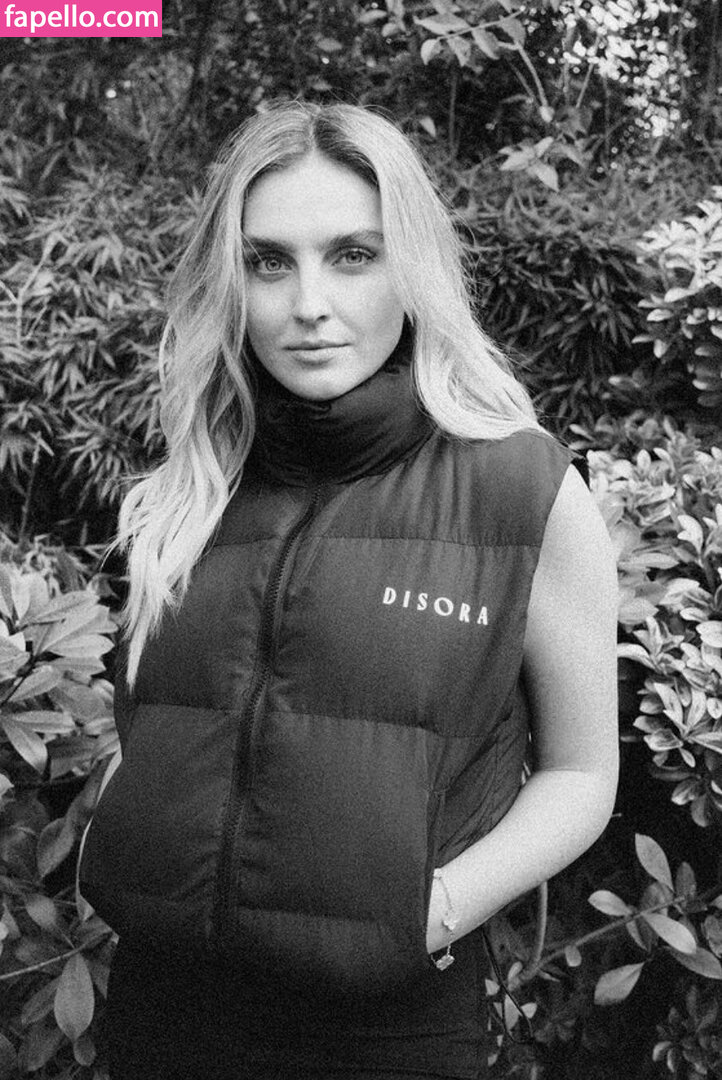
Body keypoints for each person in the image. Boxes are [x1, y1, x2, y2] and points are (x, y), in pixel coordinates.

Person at [79, 101, 619, 1080]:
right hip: (162, 1013)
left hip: (386, 1031)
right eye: (267, 262)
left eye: (354, 255)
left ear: (413, 267)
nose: (309, 303)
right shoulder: (188, 491)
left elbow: (581, 775)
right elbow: (153, 728)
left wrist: (433, 910)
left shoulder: (521, 490)